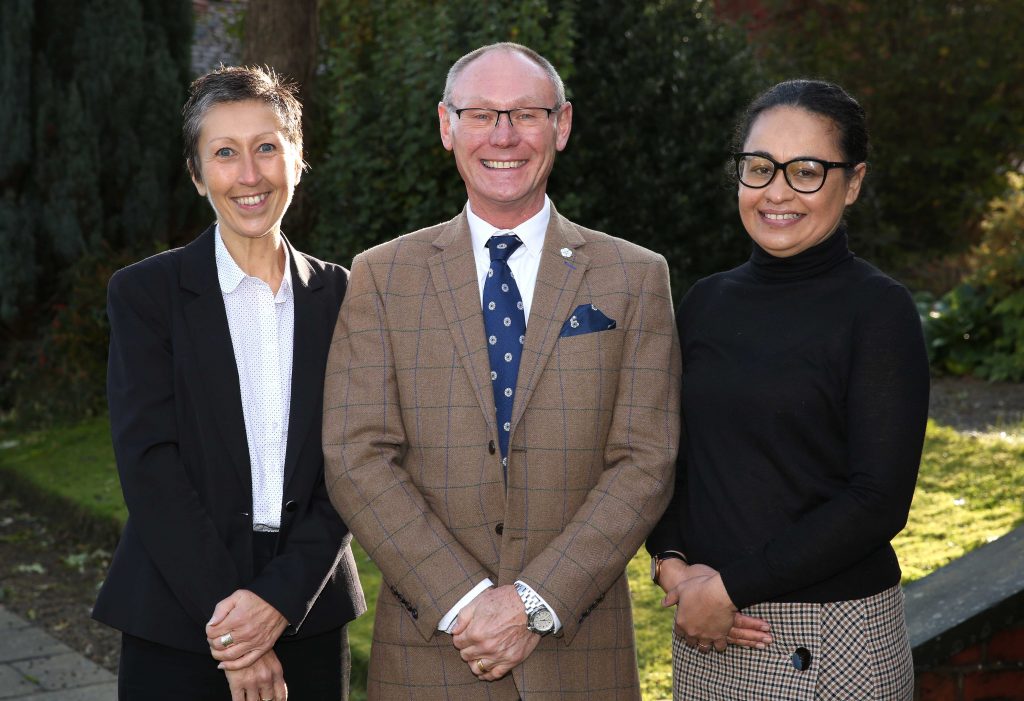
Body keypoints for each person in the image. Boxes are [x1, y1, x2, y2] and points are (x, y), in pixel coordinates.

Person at [322, 42, 679, 699]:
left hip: (581, 656)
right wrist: (463, 599)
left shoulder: (635, 276)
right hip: (432, 652)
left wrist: (535, 600)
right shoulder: (381, 275)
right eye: (481, 113)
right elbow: (355, 454)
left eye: (527, 114)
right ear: (446, 125)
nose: (504, 136)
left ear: (562, 125)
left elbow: (646, 460)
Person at [646, 78, 930, 700]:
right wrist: (669, 560)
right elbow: (673, 457)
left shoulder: (877, 311)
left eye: (807, 170)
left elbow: (878, 499)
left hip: (828, 636)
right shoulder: (705, 303)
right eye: (759, 167)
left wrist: (727, 587)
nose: (777, 191)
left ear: (852, 183)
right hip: (708, 633)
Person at [93, 65, 365, 701]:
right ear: (197, 175)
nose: (250, 175)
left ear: (298, 162)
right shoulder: (145, 295)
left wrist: (277, 601)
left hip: (309, 613)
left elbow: (354, 464)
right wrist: (235, 632)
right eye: (225, 153)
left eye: (267, 148)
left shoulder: (345, 296)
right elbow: (149, 465)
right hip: (178, 619)